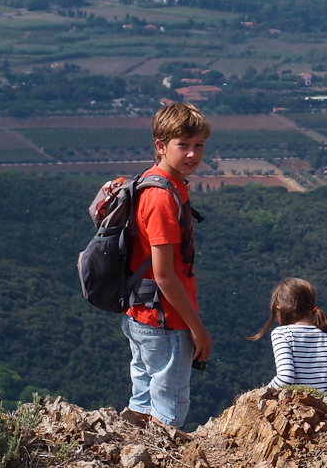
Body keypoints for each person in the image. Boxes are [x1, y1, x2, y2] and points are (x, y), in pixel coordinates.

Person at [121, 102, 213, 429]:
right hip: (166, 322)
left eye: (199, 145)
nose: (193, 154)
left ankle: (135, 456)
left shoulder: (157, 181)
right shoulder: (161, 197)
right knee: (169, 409)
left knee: (144, 402)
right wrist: (196, 328)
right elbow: (164, 275)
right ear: (160, 146)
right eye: (183, 145)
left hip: (142, 315)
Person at [248, 277, 327, 407]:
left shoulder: (282, 334)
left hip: (296, 411)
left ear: (281, 308)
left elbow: (285, 378)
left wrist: (259, 395)